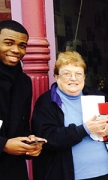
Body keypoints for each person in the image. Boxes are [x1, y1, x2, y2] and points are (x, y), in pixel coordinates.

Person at [31, 51, 108, 180]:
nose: (73, 78)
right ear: (56, 76)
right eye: (66, 74)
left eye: (78, 74)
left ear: (84, 77)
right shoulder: (48, 102)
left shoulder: (97, 95)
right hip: (69, 175)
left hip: (106, 171)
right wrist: (85, 129)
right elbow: (48, 138)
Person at [0, 19, 47, 180]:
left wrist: (29, 143)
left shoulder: (24, 82)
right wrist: (3, 145)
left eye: (22, 45)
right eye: (8, 43)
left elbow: (20, 125)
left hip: (13, 168)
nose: (16, 50)